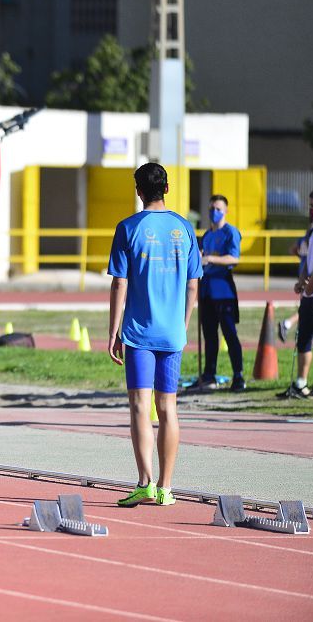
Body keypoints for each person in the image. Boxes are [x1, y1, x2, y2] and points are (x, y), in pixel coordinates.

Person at [108, 163, 201, 508]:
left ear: (138, 190)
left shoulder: (128, 228)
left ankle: (144, 480)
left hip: (139, 333)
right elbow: (193, 284)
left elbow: (120, 282)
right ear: (167, 188)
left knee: (139, 406)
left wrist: (113, 330)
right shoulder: (184, 228)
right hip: (172, 331)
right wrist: (184, 323)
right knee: (169, 408)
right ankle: (166, 486)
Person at [280, 190, 313, 399]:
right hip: (309, 293)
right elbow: (306, 259)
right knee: (304, 338)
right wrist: (302, 281)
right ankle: (301, 382)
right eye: (311, 205)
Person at [188, 195, 244, 391]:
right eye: (211, 208)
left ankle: (239, 376)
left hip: (224, 290)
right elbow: (199, 256)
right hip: (206, 291)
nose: (214, 212)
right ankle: (209, 375)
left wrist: (210, 259)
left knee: (229, 333)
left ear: (226, 210)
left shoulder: (230, 233)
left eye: (218, 208)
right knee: (209, 335)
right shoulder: (207, 235)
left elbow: (234, 258)